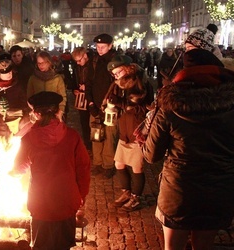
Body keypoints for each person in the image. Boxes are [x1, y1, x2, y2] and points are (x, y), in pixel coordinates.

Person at [141, 52, 234, 249]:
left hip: (179, 191)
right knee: (203, 245)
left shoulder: (169, 104)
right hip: (218, 190)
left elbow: (151, 155)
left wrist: (145, 139)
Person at [12, 91, 91, 249]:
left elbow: (18, 168)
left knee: (41, 245)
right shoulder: (72, 136)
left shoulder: (27, 139)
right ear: (58, 111)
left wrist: (12, 173)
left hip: (40, 203)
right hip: (67, 201)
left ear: (35, 113)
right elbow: (83, 168)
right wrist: (80, 195)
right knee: (63, 245)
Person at [105, 55, 154, 212]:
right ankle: (126, 192)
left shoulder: (139, 82)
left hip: (137, 130)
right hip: (124, 129)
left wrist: (120, 103)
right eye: (113, 74)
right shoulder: (120, 84)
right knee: (119, 163)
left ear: (126, 68)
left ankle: (136, 197)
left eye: (117, 72)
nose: (116, 76)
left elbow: (140, 107)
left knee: (136, 167)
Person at [85, 33, 118, 178]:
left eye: (103, 46)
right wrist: (91, 103)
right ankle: (97, 163)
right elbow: (89, 84)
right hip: (96, 105)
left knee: (109, 137)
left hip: (111, 106)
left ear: (110, 46)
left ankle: (108, 165)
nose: (99, 49)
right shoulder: (94, 61)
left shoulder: (116, 62)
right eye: (98, 46)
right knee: (96, 136)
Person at [0, 59, 29, 139]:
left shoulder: (18, 86)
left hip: (16, 125)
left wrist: (14, 111)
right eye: (5, 73)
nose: (9, 74)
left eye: (10, 72)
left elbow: (25, 105)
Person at [27, 51, 67, 121]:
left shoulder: (57, 78)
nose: (41, 65)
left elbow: (62, 96)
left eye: (43, 63)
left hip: (53, 113)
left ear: (49, 62)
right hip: (38, 114)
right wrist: (34, 110)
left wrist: (60, 111)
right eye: (39, 63)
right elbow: (29, 97)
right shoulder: (33, 78)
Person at [71, 47, 93, 149]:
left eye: (79, 60)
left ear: (85, 55)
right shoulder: (77, 68)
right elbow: (74, 81)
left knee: (92, 122)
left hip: (91, 97)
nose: (78, 63)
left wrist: (87, 86)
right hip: (81, 97)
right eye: (76, 61)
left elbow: (96, 82)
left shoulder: (93, 66)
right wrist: (74, 89)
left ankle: (93, 143)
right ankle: (87, 144)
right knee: (83, 121)